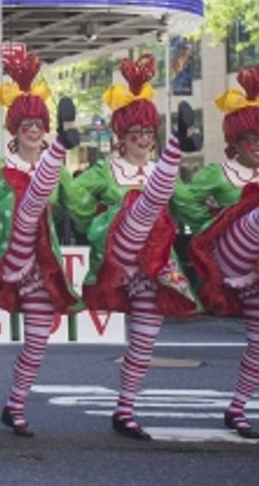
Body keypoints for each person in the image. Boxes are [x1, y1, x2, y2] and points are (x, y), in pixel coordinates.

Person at [61, 54, 200, 440]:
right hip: (118, 255)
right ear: (121, 136)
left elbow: (189, 205)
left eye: (149, 132)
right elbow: (75, 197)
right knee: (138, 207)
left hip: (154, 265)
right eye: (137, 131)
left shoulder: (160, 175)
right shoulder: (106, 171)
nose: (143, 138)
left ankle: (125, 409)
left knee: (145, 336)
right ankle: (179, 145)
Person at [0, 46, 80, 438]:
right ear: (14, 127)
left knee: (40, 334)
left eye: (39, 122)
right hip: (5, 258)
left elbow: (77, 203)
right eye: (25, 121)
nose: (33, 128)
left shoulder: (54, 169)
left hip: (42, 263)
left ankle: (16, 403)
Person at [171, 65, 259, 439]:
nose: (258, 145)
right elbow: (183, 198)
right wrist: (214, 221)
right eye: (251, 138)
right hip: (230, 261)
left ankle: (237, 407)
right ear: (235, 142)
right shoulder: (218, 175)